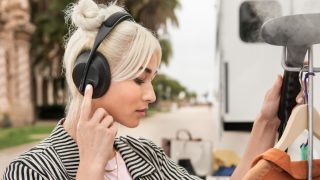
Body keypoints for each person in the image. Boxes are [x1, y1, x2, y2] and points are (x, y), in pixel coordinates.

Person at [2, 0, 304, 179]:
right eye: (139, 79)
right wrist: (90, 167)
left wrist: (267, 121)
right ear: (91, 77)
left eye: (152, 80)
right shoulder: (29, 170)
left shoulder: (145, 155)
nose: (152, 95)